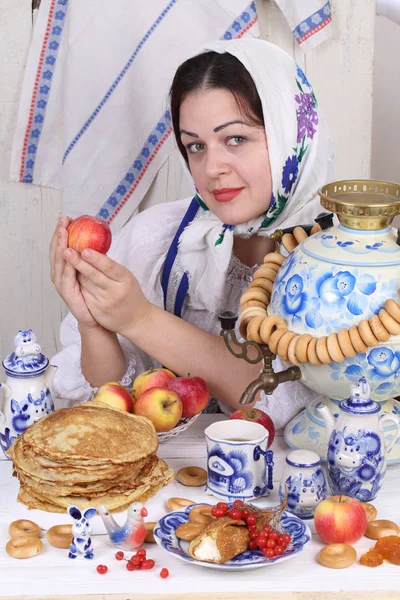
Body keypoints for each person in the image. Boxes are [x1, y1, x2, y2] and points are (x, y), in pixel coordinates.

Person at [49, 38, 334, 430]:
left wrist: (140, 318)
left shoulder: (342, 259)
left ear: (292, 136)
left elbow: (288, 409)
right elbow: (112, 400)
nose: (212, 167)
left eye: (236, 139)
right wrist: (94, 322)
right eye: (195, 146)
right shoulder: (160, 237)